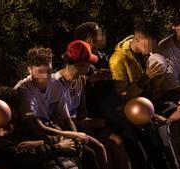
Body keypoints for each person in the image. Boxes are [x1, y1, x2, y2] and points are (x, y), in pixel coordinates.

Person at [14, 47, 107, 169]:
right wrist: (70, 136)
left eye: (48, 70)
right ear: (29, 70)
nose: (45, 75)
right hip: (30, 132)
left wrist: (76, 137)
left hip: (52, 129)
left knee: (89, 152)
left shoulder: (55, 84)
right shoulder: (24, 89)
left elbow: (66, 119)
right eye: (40, 71)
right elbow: (38, 127)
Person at [54, 39, 131, 169]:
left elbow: (83, 112)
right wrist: (86, 124)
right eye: (88, 63)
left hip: (81, 126)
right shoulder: (56, 84)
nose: (90, 66)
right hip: (65, 130)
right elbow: (60, 120)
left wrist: (89, 124)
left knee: (115, 141)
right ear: (80, 63)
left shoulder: (81, 80)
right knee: (99, 150)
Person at [109, 20, 168, 169]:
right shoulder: (118, 59)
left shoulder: (145, 54)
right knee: (149, 144)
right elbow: (122, 95)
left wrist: (159, 75)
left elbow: (154, 89)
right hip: (129, 112)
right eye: (149, 44)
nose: (152, 49)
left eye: (155, 45)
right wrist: (145, 78)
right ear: (137, 38)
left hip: (148, 105)